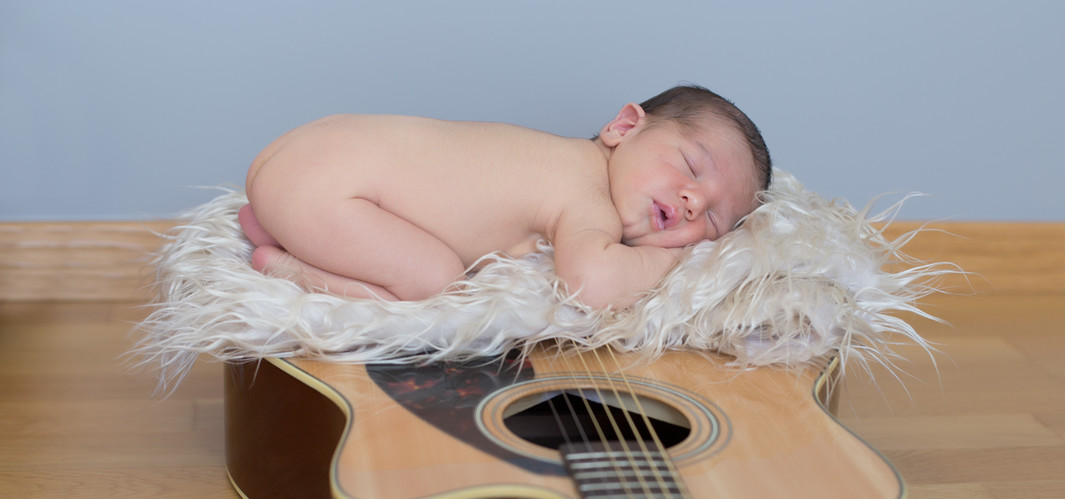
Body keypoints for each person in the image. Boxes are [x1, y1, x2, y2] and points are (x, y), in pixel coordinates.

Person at [239, 85, 771, 311]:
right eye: (690, 166)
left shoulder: (555, 158)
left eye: (715, 221)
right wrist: (673, 257)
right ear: (623, 126)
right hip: (330, 185)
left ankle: (286, 220)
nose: (693, 201)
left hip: (310, 153)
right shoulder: (587, 197)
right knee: (434, 281)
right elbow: (592, 285)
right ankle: (287, 264)